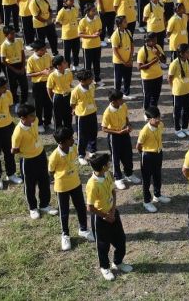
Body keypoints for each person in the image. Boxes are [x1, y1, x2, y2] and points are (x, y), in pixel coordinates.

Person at [86, 153, 130, 281]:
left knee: (121, 239)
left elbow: (113, 192)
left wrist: (113, 210)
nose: (109, 164)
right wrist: (105, 216)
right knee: (103, 245)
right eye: (108, 163)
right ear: (103, 166)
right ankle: (105, 267)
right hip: (100, 218)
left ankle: (118, 262)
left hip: (112, 212)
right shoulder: (92, 184)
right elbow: (90, 207)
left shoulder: (108, 174)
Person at [11, 103, 58, 220]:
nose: (35, 117)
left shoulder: (35, 121)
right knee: (29, 185)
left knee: (44, 180)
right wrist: (26, 151)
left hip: (40, 155)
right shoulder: (18, 133)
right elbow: (14, 150)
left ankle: (44, 205)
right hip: (28, 160)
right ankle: (32, 208)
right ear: (23, 118)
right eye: (32, 115)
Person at [48, 126, 91, 251]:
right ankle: (65, 234)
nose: (73, 140)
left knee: (81, 207)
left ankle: (83, 229)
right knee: (64, 212)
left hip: (76, 183)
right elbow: (51, 171)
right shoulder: (54, 156)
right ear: (62, 142)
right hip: (62, 188)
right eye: (70, 138)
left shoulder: (73, 149)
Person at [102, 90, 139, 189]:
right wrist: (118, 132)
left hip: (125, 134)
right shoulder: (107, 112)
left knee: (128, 154)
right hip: (114, 137)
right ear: (113, 101)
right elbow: (104, 128)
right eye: (120, 99)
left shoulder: (123, 106)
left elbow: (126, 117)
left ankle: (129, 174)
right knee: (116, 157)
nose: (123, 100)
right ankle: (118, 178)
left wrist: (128, 124)